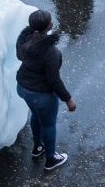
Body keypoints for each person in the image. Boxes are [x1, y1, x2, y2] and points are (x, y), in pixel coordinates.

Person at [15, 9, 76, 171]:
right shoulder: (51, 52)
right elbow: (54, 80)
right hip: (41, 95)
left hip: (22, 88)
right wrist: (68, 99)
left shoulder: (23, 41)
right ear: (49, 25)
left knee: (35, 115)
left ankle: (38, 148)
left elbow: (20, 57)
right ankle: (51, 159)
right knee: (48, 124)